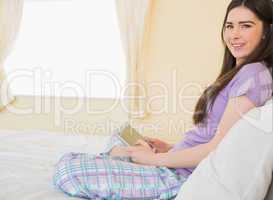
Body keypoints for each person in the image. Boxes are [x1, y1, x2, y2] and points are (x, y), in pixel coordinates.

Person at [53, 0, 273, 199]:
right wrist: (168, 147)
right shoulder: (240, 72)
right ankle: (125, 159)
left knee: (68, 170)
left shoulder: (253, 74)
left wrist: (153, 159)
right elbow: (210, 135)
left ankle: (126, 161)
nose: (234, 34)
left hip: (181, 178)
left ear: (266, 31)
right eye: (229, 26)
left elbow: (217, 149)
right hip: (174, 163)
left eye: (246, 26)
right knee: (120, 138)